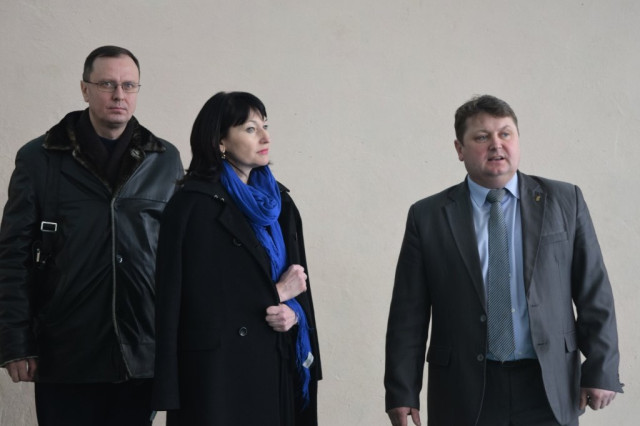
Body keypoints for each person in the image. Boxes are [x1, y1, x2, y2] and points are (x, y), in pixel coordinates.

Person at [384, 95, 622, 426]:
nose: (496, 144)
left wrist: (602, 367)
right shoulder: (428, 216)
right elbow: (408, 313)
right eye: (482, 137)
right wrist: (402, 390)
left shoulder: (565, 201)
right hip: (463, 389)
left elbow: (594, 292)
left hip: (547, 385)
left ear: (517, 140)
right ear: (459, 149)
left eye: (505, 134)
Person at [0, 45, 183, 426]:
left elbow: (180, 257)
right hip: (65, 350)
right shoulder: (39, 158)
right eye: (107, 84)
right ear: (85, 89)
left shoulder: (164, 159)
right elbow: (12, 255)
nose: (119, 95)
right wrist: (15, 342)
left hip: (140, 350)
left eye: (129, 85)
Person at [151, 91, 322, 425]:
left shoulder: (279, 204)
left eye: (265, 126)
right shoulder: (191, 207)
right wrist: (277, 293)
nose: (265, 137)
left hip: (277, 365)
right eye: (250, 129)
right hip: (217, 378)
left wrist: (294, 314)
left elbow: (298, 291)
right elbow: (185, 303)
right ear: (220, 141)